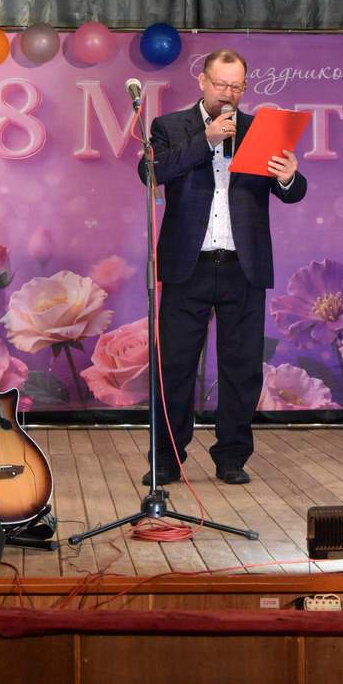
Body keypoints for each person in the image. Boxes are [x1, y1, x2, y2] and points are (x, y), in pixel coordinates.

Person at [138, 48, 307, 486]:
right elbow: (151, 171)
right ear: (202, 81)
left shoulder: (259, 130)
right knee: (174, 368)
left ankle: (232, 456)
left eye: (235, 86)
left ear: (244, 87)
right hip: (187, 265)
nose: (227, 93)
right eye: (220, 84)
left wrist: (288, 176)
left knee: (242, 369)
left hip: (242, 267)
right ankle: (167, 459)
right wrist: (207, 139)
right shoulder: (171, 126)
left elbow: (292, 192)